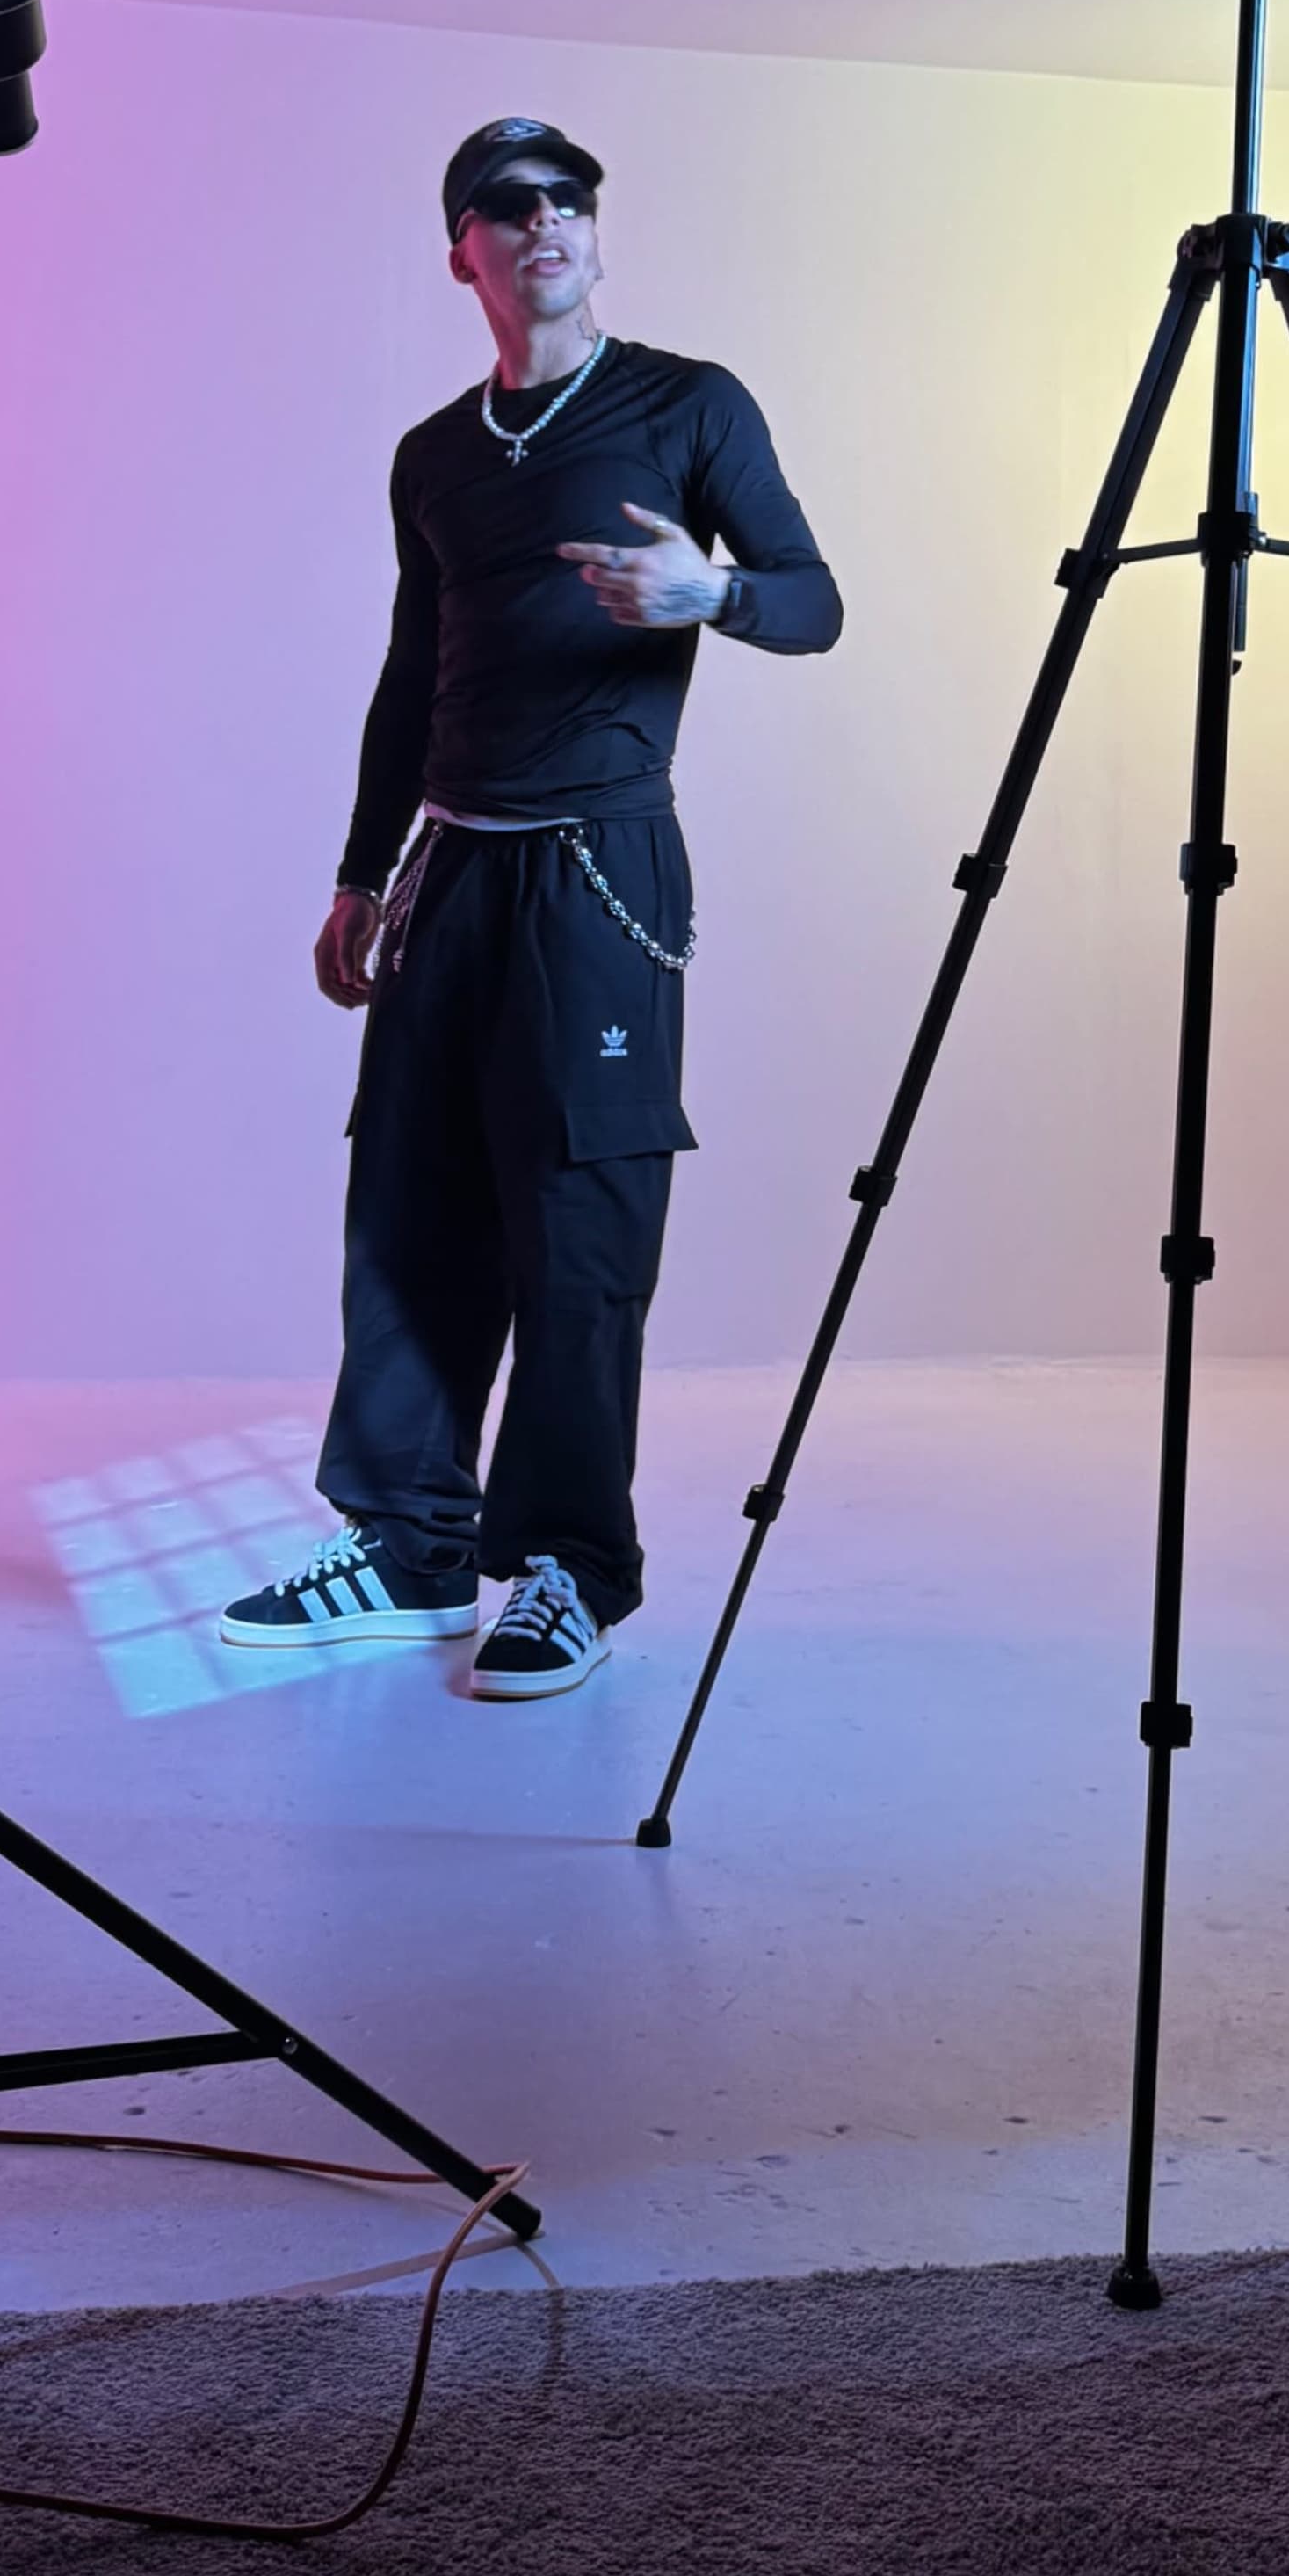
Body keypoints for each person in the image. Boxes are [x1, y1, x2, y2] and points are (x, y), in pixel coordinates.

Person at [219, 118, 842, 1699]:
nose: (544, 222)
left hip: (599, 871)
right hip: (449, 864)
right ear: (465, 253)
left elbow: (815, 602)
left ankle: (569, 1570)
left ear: (595, 238)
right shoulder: (434, 455)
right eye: (509, 208)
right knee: (412, 1209)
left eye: (569, 200)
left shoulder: (688, 405)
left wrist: (721, 596)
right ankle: (414, 1551)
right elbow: (408, 672)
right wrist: (363, 870)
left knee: (579, 1223)